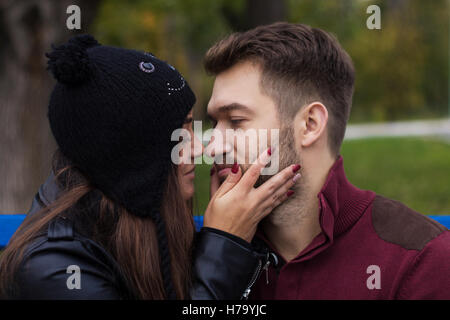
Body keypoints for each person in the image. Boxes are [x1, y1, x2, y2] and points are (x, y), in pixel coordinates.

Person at [0, 34, 300, 300]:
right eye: (180, 132)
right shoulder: (54, 270)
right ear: (133, 152)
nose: (200, 149)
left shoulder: (136, 224)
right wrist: (225, 245)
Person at [204, 22, 450, 299]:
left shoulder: (417, 259)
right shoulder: (205, 255)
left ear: (309, 125)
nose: (213, 146)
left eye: (236, 121)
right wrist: (219, 255)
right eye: (214, 122)